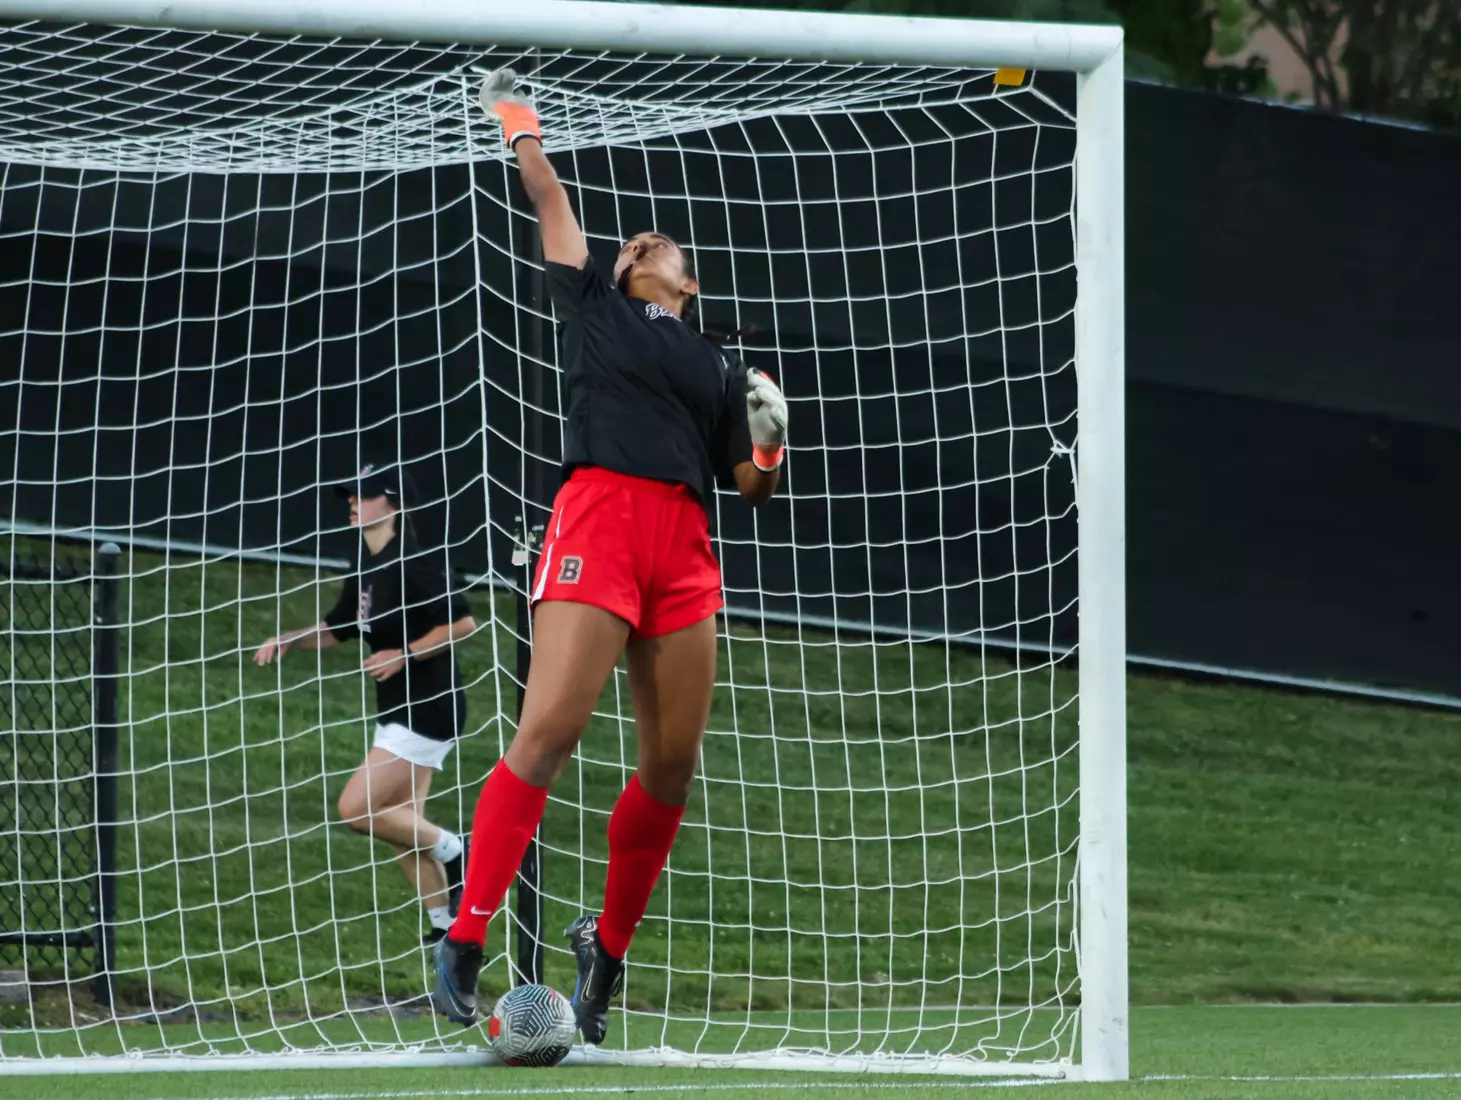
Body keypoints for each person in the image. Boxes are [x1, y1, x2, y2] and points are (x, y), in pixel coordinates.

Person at [429, 70, 789, 1044]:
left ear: (689, 279)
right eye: (631, 240)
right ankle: (464, 934)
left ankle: (607, 946)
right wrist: (515, 114)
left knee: (672, 765)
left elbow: (752, 492)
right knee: (547, 730)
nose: (639, 243)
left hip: (685, 544)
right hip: (597, 518)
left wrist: (765, 445)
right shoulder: (592, 300)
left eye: (657, 242)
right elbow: (546, 195)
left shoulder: (721, 366)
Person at [255, 460, 477, 945]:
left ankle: (458, 851)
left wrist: (404, 654)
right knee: (402, 827)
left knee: (355, 809)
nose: (353, 502)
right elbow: (340, 627)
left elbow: (462, 625)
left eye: (364, 494)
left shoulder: (416, 559)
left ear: (393, 503)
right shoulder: (364, 562)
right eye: (350, 495)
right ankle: (446, 928)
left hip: (428, 707)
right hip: (398, 708)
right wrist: (291, 638)